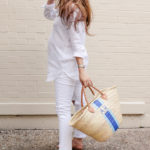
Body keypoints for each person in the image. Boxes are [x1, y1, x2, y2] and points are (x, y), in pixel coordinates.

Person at [42, 0, 94, 149]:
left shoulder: (72, 8)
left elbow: (76, 42)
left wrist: (82, 70)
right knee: (79, 103)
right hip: (72, 65)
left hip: (66, 66)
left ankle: (65, 147)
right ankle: (78, 140)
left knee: (63, 109)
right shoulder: (69, 8)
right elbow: (48, 14)